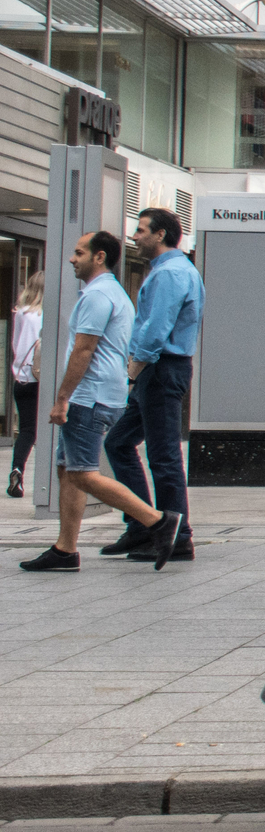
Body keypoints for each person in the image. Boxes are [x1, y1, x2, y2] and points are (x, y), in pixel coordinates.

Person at [18, 232, 181, 572]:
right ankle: (65, 550)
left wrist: (62, 397)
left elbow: (84, 349)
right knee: (68, 471)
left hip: (88, 397)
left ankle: (156, 521)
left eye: (79, 253)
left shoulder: (97, 296)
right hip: (99, 395)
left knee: (83, 473)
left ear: (99, 257)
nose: (72, 259)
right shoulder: (112, 293)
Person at [100, 207, 203, 562]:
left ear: (161, 234)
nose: (135, 236)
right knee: (118, 442)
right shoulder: (172, 270)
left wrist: (132, 370)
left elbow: (156, 329)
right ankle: (144, 526)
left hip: (159, 369)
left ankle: (177, 536)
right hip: (160, 370)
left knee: (163, 456)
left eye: (142, 230)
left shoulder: (170, 274)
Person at [8, 271, 39, 498]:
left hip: (22, 377)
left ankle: (17, 469)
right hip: (43, 378)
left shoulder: (20, 313)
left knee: (27, 430)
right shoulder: (49, 314)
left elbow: (15, 343)